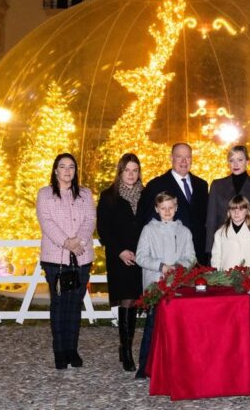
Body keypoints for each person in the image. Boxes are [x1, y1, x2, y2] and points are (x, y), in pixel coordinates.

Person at [36, 153, 96, 370]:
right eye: (63, 167)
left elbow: (90, 220)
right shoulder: (45, 194)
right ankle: (59, 351)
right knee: (59, 305)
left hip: (81, 257)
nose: (67, 171)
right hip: (55, 259)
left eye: (71, 167)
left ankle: (72, 349)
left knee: (74, 305)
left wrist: (77, 241)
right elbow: (46, 222)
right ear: (55, 170)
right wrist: (66, 242)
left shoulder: (85, 194)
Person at [206, 145, 250, 332]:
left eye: (240, 159)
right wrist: (209, 252)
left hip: (248, 250)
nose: (236, 164)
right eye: (232, 160)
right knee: (224, 314)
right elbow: (211, 220)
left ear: (248, 162)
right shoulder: (217, 186)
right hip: (223, 249)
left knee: (247, 310)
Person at [133, 191, 196, 380]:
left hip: (177, 285)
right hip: (156, 285)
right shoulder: (148, 230)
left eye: (170, 208)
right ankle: (145, 366)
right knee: (152, 327)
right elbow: (141, 257)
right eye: (163, 208)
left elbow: (191, 257)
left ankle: (176, 366)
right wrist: (161, 266)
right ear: (156, 209)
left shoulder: (184, 231)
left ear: (176, 208)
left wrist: (178, 266)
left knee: (177, 328)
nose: (167, 211)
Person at [96, 153, 145, 372]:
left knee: (134, 300)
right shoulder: (108, 196)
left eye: (135, 170)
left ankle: (126, 345)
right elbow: (103, 230)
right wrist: (120, 251)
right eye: (127, 170)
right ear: (120, 171)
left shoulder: (146, 195)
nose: (131, 174)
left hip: (141, 256)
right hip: (119, 257)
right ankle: (126, 350)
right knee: (125, 299)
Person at [139, 142, 209, 265]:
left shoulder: (201, 185)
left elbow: (206, 219)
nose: (184, 161)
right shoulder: (156, 185)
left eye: (187, 157)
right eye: (179, 157)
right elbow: (146, 218)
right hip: (168, 258)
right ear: (171, 158)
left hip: (199, 256)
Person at [211, 195, 250, 332]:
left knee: (244, 319)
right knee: (227, 318)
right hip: (225, 281)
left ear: (247, 211)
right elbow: (216, 258)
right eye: (233, 209)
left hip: (246, 281)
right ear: (228, 212)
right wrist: (216, 279)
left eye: (241, 209)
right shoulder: (220, 233)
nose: (237, 213)